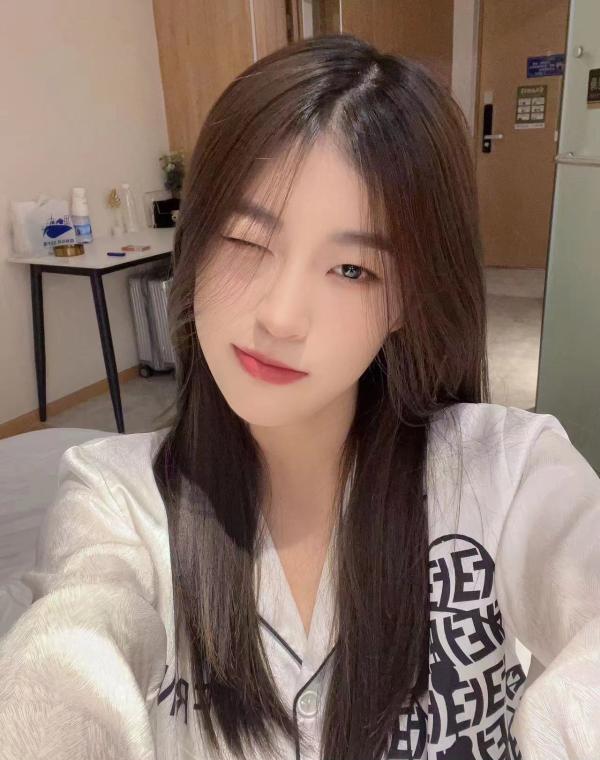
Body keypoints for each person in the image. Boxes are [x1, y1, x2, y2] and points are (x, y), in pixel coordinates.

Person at [1, 32, 599, 760]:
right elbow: (74, 647)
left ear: (408, 299)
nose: (281, 317)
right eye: (246, 241)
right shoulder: (119, 500)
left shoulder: (510, 472)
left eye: (352, 270)